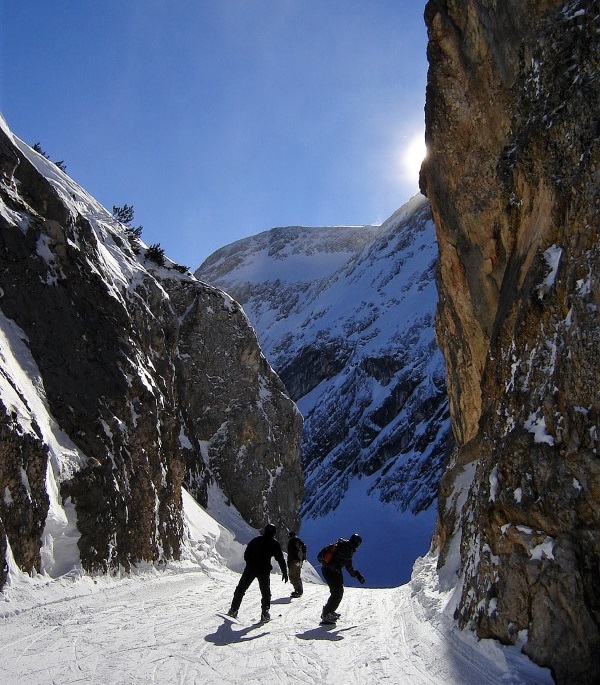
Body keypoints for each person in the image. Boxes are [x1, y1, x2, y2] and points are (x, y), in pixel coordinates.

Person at [227, 523, 288, 622]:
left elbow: (247, 554)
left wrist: (250, 563)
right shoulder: (274, 544)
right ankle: (265, 613)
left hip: (251, 568)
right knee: (265, 592)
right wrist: (284, 572)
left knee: (241, 589)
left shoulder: (256, 540)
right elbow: (280, 559)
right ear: (274, 533)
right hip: (264, 570)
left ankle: (233, 610)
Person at [319, 532, 365, 623]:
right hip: (333, 572)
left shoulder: (340, 544)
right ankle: (327, 613)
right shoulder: (348, 550)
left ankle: (329, 611)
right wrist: (357, 575)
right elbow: (349, 567)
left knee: (335, 591)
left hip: (326, 569)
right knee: (338, 592)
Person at [287, 531, 307, 598]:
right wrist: (302, 557)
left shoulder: (293, 541)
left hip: (294, 560)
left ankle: (298, 591)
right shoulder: (298, 541)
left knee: (292, 576)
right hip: (298, 560)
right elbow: (304, 547)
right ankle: (299, 590)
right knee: (296, 575)